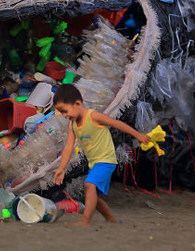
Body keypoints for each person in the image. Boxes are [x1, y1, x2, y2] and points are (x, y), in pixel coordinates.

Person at [52, 84, 150, 226]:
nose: (64, 115)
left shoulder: (93, 116)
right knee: (93, 197)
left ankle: (85, 220)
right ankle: (110, 219)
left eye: (64, 111)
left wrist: (138, 135)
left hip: (106, 160)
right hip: (94, 163)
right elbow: (68, 147)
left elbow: (117, 124)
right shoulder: (72, 125)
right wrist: (61, 168)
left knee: (89, 185)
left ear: (77, 104)